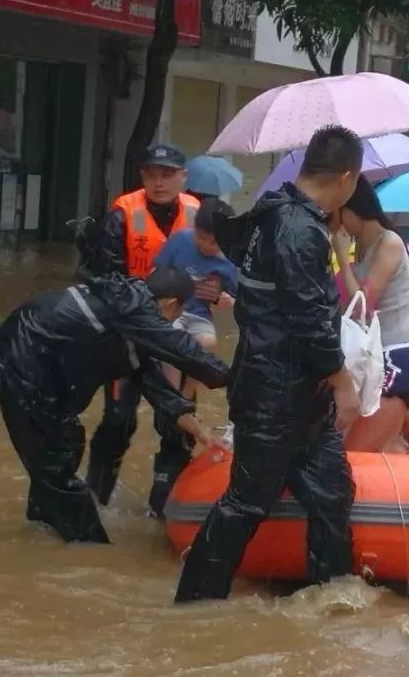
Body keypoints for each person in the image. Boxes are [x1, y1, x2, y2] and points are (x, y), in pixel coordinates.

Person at [174, 125, 364, 604]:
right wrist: (344, 382)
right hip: (273, 392)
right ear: (346, 179)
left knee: (331, 492)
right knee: (247, 501)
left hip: (298, 392)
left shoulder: (271, 215)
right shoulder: (298, 230)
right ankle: (195, 601)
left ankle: (329, 598)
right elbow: (309, 320)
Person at [0, 268, 232, 544]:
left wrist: (200, 431)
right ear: (171, 304)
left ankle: (42, 528)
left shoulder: (127, 308)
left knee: (64, 446)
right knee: (57, 463)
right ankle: (88, 548)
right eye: (179, 314)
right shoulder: (137, 311)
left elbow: (155, 385)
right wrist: (238, 381)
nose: (173, 323)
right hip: (19, 363)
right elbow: (184, 350)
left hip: (32, 360)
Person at [86, 143, 212, 518]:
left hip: (179, 331)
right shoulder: (122, 215)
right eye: (152, 174)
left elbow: (228, 267)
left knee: (178, 417)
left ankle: (166, 503)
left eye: (168, 174)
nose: (159, 182)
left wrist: (217, 289)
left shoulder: (201, 216)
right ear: (142, 176)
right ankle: (95, 497)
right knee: (118, 417)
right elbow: (102, 276)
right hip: (129, 330)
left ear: (183, 178)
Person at [332, 177, 409, 453]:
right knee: (378, 450)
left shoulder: (390, 243)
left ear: (352, 211)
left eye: (339, 216)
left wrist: (341, 254)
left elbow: (363, 306)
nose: (337, 225)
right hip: (376, 360)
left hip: (398, 359)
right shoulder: (362, 249)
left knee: (353, 456)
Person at [153, 197, 240, 402]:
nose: (207, 246)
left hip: (199, 315)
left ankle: (187, 393)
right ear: (194, 229)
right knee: (172, 336)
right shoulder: (180, 240)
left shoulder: (229, 260)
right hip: (171, 310)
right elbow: (155, 273)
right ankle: (172, 393)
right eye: (201, 237)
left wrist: (224, 300)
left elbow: (240, 299)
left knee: (208, 342)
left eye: (214, 242)